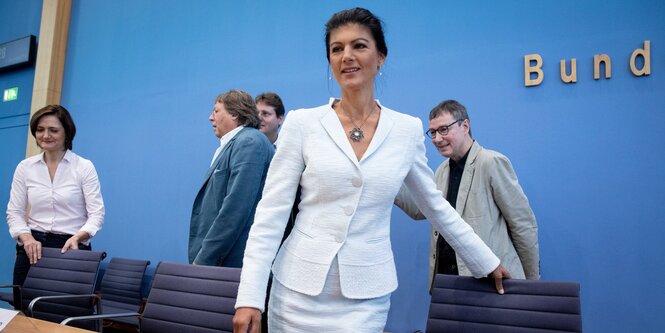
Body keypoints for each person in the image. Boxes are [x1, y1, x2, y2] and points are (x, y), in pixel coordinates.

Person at [233, 8, 509, 333]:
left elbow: (435, 206)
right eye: (337, 49)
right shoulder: (302, 123)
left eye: (359, 46)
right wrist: (249, 296)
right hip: (296, 293)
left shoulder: (405, 130)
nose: (346, 56)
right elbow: (271, 214)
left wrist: (485, 260)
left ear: (381, 56)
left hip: (366, 296)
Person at [395, 100, 540, 291]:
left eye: (444, 129)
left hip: (491, 283)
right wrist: (388, 180)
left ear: (465, 126)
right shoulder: (441, 170)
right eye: (433, 132)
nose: (437, 138)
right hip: (448, 282)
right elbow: (420, 210)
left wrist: (531, 285)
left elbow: (522, 225)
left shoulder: (492, 162)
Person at [6, 104, 104, 308]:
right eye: (40, 129)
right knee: (24, 311)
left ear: (67, 132)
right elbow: (14, 212)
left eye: (53, 130)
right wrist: (26, 238)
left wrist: (78, 237)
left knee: (63, 312)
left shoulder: (84, 167)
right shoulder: (25, 168)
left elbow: (97, 215)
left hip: (70, 247)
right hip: (32, 246)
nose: (45, 135)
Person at [188, 89, 274, 267]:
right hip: (223, 261)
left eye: (216, 111)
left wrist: (205, 259)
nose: (210, 118)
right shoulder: (236, 144)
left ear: (235, 114)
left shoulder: (249, 142)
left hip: (232, 263)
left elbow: (235, 209)